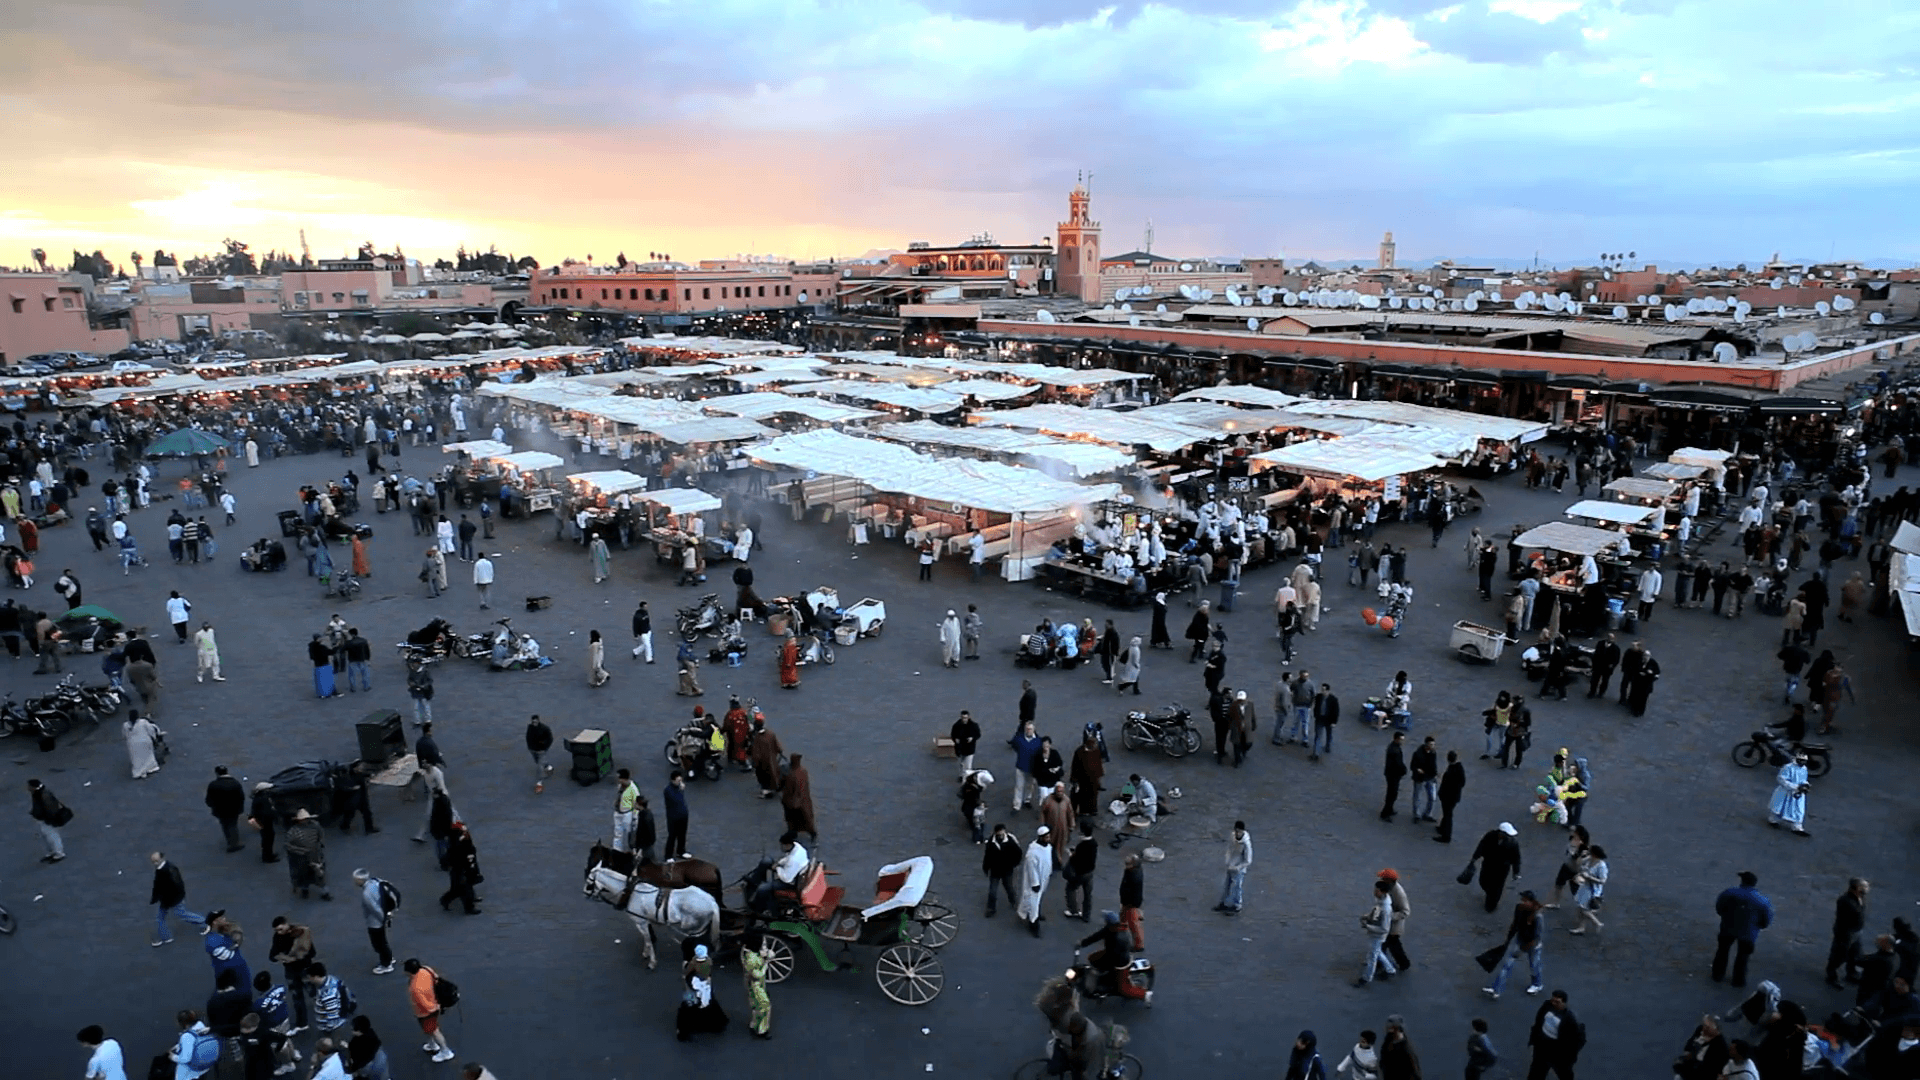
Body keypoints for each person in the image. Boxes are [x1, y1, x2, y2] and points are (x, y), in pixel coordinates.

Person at [1712, 871, 1773, 988]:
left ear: (1742, 881)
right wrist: (1759, 926)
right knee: (1743, 956)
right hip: (1749, 933)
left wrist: (1725, 916)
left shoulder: (1729, 893)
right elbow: (1766, 918)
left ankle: (1717, 975)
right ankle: (1738, 980)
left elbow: (1719, 907)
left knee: (1722, 951)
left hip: (1728, 927)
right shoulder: (1762, 900)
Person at [1484, 890, 1546, 1000]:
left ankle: (1537, 984)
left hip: (1532, 945)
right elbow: (1515, 924)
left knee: (1534, 965)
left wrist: (1524, 948)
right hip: (1520, 940)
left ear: (1531, 902)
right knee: (1507, 965)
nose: (1522, 902)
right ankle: (1496, 989)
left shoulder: (1537, 916)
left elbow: (1537, 936)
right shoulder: (1519, 908)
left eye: (1525, 900)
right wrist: (1508, 939)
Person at [150, 851, 207, 946]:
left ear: (161, 858)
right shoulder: (167, 868)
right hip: (169, 899)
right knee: (163, 917)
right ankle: (166, 937)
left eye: (156, 860)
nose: (155, 863)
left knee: (180, 914)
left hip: (171, 900)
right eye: (153, 861)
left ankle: (204, 921)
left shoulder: (165, 870)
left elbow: (170, 886)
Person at [404, 959, 457, 1062]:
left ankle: (445, 1051)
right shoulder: (426, 970)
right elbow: (436, 978)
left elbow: (427, 1007)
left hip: (425, 1013)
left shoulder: (415, 988)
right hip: (434, 1003)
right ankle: (432, 1044)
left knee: (434, 1031)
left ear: (408, 972)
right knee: (428, 1029)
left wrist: (435, 1007)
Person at [1525, 990, 1584, 1080]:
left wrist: (1569, 1055)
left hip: (1557, 1050)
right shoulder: (1547, 1006)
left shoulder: (1570, 1019)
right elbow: (1539, 1020)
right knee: (1536, 1071)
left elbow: (1578, 1039)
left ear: (1563, 1003)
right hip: (1542, 1045)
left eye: (1557, 1002)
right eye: (1553, 1000)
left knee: (1563, 1072)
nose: (1554, 1003)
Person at [676, 944, 730, 1041]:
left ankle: (684, 1030)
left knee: (689, 1006)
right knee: (708, 1002)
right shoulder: (708, 962)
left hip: (695, 985)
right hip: (705, 985)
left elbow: (687, 972)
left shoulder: (693, 963)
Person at [1827, 877, 1872, 989]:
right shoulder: (1846, 901)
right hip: (1846, 933)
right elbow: (1847, 919)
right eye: (1864, 887)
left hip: (1856, 931)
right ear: (1856, 888)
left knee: (1854, 954)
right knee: (1839, 955)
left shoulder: (1860, 897)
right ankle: (1831, 976)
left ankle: (1851, 972)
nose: (1867, 889)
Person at [1468, 823, 1523, 913]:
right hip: (1488, 864)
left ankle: (1491, 905)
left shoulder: (1512, 843)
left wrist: (1516, 872)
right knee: (1483, 881)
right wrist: (1475, 858)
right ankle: (1490, 894)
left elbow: (1516, 858)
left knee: (1497, 887)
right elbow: (1481, 846)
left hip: (1502, 868)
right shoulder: (1490, 836)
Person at [1355, 878, 1399, 987]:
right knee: (1377, 952)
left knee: (1372, 957)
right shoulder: (1381, 901)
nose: (1374, 892)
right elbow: (1376, 911)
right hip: (1376, 933)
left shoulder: (1385, 908)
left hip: (1378, 935)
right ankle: (1390, 970)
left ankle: (1366, 978)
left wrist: (1368, 926)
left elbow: (1384, 928)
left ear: (1383, 892)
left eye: (1377, 890)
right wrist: (1367, 917)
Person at [283, 809, 331, 901]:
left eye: (305, 818)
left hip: (314, 855)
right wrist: (300, 850)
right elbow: (287, 845)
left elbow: (321, 835)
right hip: (301, 857)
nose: (304, 820)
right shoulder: (294, 830)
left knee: (319, 875)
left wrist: (320, 845)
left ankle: (325, 893)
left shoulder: (315, 826)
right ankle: (305, 890)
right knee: (303, 875)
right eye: (302, 819)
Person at [1765, 751, 1811, 836]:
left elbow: (1804, 779)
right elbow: (1781, 779)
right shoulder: (1788, 767)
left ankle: (1797, 827)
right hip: (1785, 791)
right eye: (1801, 760)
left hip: (1798, 793)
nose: (1803, 763)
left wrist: (1806, 785)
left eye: (1804, 761)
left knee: (1799, 809)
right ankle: (1773, 820)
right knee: (1780, 807)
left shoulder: (1804, 769)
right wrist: (1795, 786)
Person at [439, 821, 481, 915]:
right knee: (465, 887)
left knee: (457, 888)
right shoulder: (459, 842)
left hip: (460, 867)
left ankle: (445, 900)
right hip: (461, 867)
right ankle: (469, 908)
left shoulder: (457, 840)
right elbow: (464, 853)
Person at [1018, 826, 1052, 936]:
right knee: (1033, 903)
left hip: (1044, 878)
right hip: (1035, 883)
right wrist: (1035, 883)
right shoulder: (1032, 853)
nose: (1048, 838)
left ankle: (1023, 912)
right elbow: (1031, 869)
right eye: (1046, 837)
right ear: (1041, 837)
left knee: (1034, 900)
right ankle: (1034, 925)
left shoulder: (1048, 847)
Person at [983, 822, 1021, 917]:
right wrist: (986, 867)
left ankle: (1013, 901)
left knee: (1009, 888)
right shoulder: (991, 842)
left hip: (1007, 870)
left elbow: (1018, 853)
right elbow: (987, 856)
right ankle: (991, 908)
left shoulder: (1011, 840)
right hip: (995, 870)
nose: (1000, 834)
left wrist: (1014, 864)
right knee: (992, 890)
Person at [1062, 823, 1098, 922]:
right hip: (1089, 873)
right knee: (1087, 895)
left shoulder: (1082, 846)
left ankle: (1073, 910)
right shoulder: (1094, 843)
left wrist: (1070, 854)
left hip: (1080, 873)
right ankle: (1086, 915)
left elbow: (1076, 861)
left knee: (1070, 889)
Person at [1568, 846, 1607, 935]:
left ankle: (1597, 923)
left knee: (1584, 908)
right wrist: (1583, 856)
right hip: (1585, 886)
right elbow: (1578, 864)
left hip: (1592, 889)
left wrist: (1589, 877)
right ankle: (1582, 927)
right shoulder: (1589, 860)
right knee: (1580, 906)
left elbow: (1603, 881)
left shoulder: (1601, 866)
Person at [1216, 820, 1252, 915]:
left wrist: (1238, 867)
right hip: (1231, 865)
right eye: (1236, 831)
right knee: (1226, 885)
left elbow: (1248, 860)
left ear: (1242, 831)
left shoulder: (1246, 844)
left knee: (1237, 887)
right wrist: (1227, 860)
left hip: (1239, 868)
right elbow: (1229, 848)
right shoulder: (1232, 836)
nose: (1237, 833)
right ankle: (1223, 902)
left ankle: (1237, 905)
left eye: (1239, 831)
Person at [743, 934, 775, 1040]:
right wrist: (766, 962)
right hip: (755, 984)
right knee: (765, 1005)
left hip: (757, 983)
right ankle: (762, 1030)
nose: (765, 946)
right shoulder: (751, 959)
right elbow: (757, 974)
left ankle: (754, 1024)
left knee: (757, 1005)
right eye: (764, 944)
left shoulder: (753, 954)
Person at [780, 753, 816, 842]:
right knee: (806, 817)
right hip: (803, 800)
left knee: (792, 818)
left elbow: (785, 786)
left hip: (791, 801)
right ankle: (811, 832)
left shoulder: (790, 774)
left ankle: (793, 832)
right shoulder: (803, 771)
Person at [1434, 751, 1466, 843]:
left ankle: (1446, 836)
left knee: (1448, 815)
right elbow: (1462, 782)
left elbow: (1446, 784)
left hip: (1448, 797)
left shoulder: (1452, 770)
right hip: (1453, 797)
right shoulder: (1459, 768)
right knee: (1447, 813)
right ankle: (1442, 828)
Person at [125, 711, 163, 779]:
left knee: (137, 758)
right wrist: (155, 738)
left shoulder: (126, 725)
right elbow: (151, 730)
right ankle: (150, 768)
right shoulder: (143, 722)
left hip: (132, 744)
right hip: (144, 741)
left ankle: (139, 772)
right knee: (148, 756)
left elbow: (125, 735)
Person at [1379, 731, 1407, 822]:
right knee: (1391, 794)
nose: (1402, 741)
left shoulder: (1394, 747)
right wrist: (1403, 770)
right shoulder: (1394, 750)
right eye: (1401, 739)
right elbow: (1398, 763)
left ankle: (1390, 809)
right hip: (1393, 775)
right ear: (1396, 739)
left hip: (1392, 774)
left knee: (1392, 793)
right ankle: (1385, 813)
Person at [663, 771, 690, 859]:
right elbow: (674, 800)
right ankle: (668, 856)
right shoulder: (668, 790)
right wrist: (680, 790)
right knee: (672, 836)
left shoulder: (679, 787)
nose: (680, 782)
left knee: (682, 835)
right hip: (673, 817)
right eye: (678, 780)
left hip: (683, 815)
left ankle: (681, 851)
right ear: (673, 780)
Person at [308, 634, 337, 699]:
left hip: (317, 665)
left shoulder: (311, 647)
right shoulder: (322, 647)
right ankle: (331, 692)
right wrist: (336, 647)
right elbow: (331, 652)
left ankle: (322, 693)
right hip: (325, 664)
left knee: (320, 681)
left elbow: (312, 657)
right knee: (329, 679)